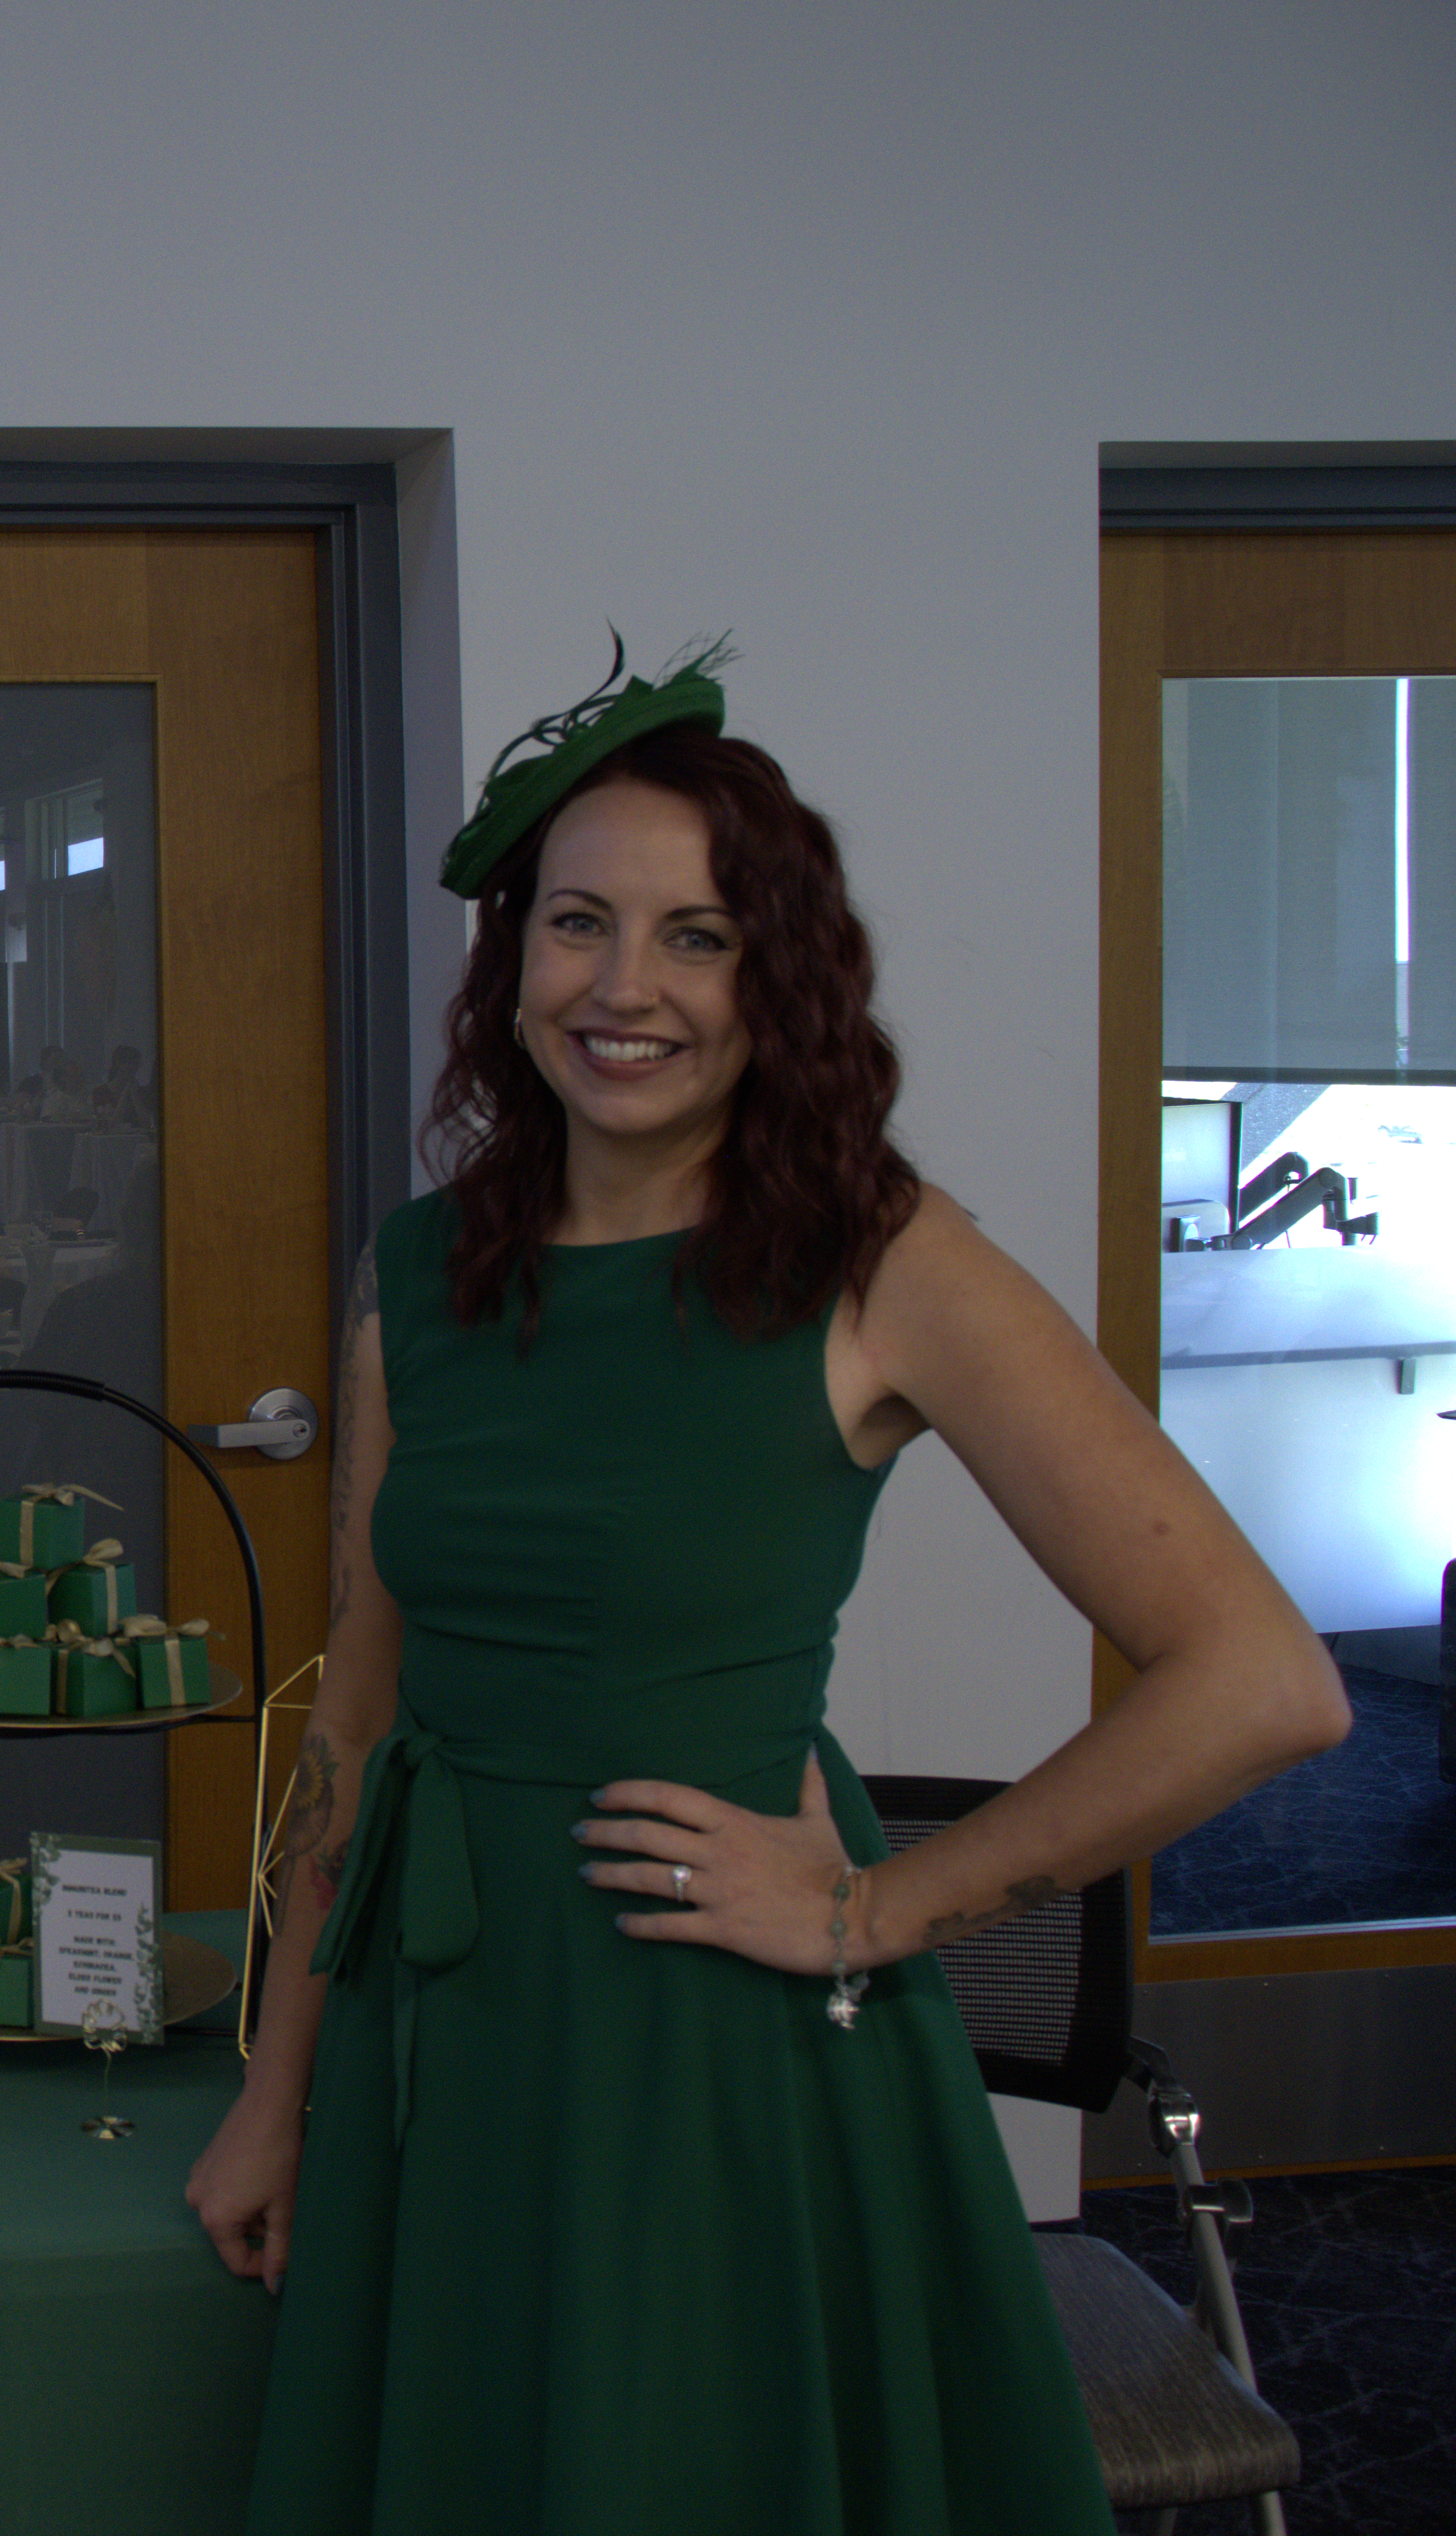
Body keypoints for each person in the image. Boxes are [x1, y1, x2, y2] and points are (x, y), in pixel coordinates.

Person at [182, 645, 1347, 2533]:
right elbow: (359, 1719)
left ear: (777, 979)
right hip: (441, 2040)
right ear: (514, 962)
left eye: (697, 937)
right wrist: (277, 2081)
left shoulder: (880, 1259)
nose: (624, 986)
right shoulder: (421, 1274)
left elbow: (1263, 1677)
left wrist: (877, 1904)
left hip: (704, 2054)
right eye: (579, 925)